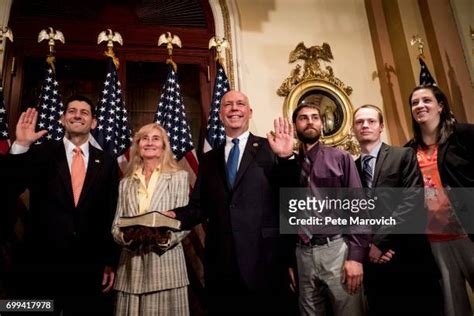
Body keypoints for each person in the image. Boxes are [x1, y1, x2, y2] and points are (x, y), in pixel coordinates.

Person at [164, 90, 294, 315]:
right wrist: (176, 216)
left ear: (249, 112)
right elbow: (199, 206)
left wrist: (286, 159)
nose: (234, 109)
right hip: (221, 263)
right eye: (228, 105)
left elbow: (291, 199)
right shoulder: (209, 159)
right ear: (220, 114)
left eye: (240, 104)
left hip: (265, 261)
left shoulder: (271, 148)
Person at [9, 95, 119, 315]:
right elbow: (9, 186)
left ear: (94, 122)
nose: (77, 115)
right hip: (41, 264)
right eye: (72, 111)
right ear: (62, 119)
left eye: (84, 112)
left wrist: (109, 261)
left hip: (87, 267)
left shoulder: (106, 161)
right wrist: (20, 145)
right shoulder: (40, 153)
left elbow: (110, 212)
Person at [269, 102, 370, 316]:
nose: (310, 121)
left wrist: (356, 257)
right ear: (295, 125)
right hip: (302, 253)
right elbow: (285, 214)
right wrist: (289, 260)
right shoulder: (287, 164)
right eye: (303, 118)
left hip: (336, 250)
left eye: (315, 117)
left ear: (322, 124)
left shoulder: (340, 158)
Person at [353, 104, 442, 315]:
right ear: (353, 129)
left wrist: (380, 243)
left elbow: (411, 201)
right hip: (375, 266)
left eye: (371, 121)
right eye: (359, 122)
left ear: (381, 126)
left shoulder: (403, 155)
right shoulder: (352, 168)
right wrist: (368, 248)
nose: (365, 125)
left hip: (409, 256)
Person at [407, 84, 474, 316]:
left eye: (426, 100)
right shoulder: (408, 151)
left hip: (468, 232)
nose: (420, 106)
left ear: (440, 106)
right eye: (415, 103)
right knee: (454, 308)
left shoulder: (465, 135)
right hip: (436, 239)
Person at [111, 123, 190, 316]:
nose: (149, 143)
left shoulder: (179, 177)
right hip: (131, 269)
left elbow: (185, 222)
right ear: (137, 145)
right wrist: (127, 237)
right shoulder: (125, 183)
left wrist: (163, 237)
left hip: (166, 267)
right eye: (144, 138)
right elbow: (116, 225)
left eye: (156, 139)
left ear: (164, 146)